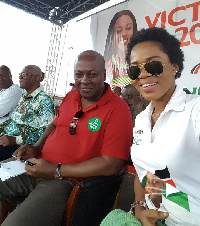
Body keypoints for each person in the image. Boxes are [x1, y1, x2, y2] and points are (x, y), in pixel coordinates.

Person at [0, 50, 133, 226]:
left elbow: (112, 164)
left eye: (92, 74)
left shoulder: (119, 110)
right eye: (79, 74)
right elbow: (55, 124)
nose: (84, 80)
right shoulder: (72, 96)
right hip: (35, 165)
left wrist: (56, 170)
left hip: (66, 180)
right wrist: (37, 147)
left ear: (104, 75)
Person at [126, 27, 200, 225]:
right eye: (135, 69)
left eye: (153, 65)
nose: (143, 75)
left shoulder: (194, 109)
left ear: (174, 66)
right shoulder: (141, 120)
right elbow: (142, 171)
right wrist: (139, 207)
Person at [0, 65, 54, 161]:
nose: (20, 77)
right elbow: (13, 121)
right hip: (5, 138)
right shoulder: (24, 97)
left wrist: (15, 139)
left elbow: (45, 132)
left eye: (24, 74)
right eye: (20, 74)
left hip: (20, 146)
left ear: (36, 78)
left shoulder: (44, 100)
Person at [104, 10, 137, 86]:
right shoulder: (106, 66)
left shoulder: (141, 62)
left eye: (128, 28)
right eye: (118, 31)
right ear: (112, 37)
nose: (124, 34)